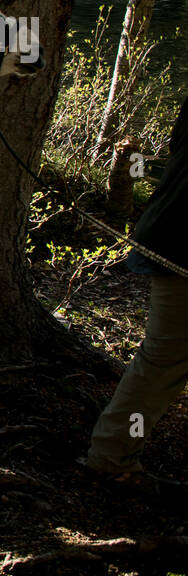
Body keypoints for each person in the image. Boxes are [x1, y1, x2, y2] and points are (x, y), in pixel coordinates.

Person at [87, 94, 188, 485]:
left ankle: (113, 455)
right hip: (178, 244)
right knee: (163, 362)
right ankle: (113, 458)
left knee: (162, 362)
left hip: (167, 233)